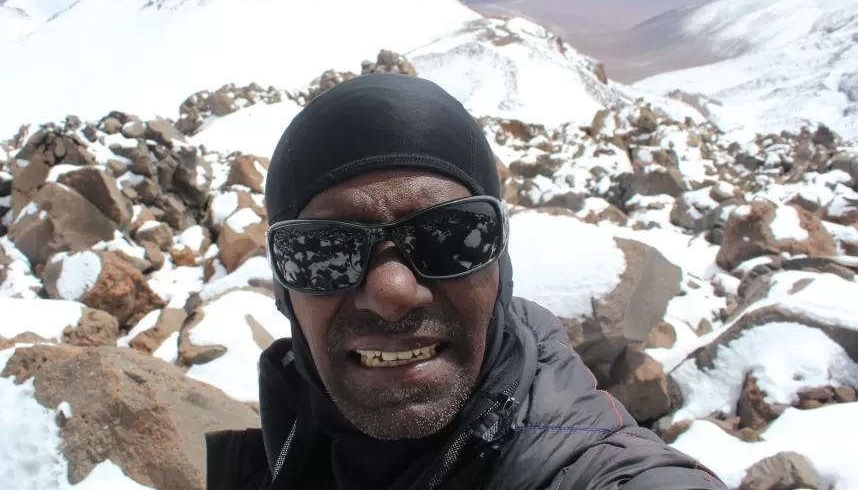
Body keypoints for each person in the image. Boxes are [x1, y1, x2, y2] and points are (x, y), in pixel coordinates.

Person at [206, 73, 723, 490]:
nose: (392, 292)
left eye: (450, 236)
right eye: (324, 251)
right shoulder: (288, 454)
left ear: (500, 268)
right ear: (285, 293)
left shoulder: (601, 473)